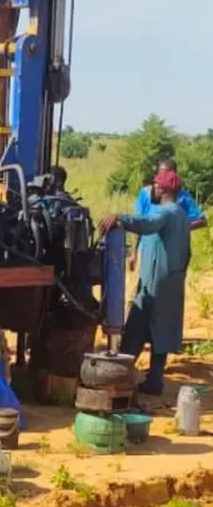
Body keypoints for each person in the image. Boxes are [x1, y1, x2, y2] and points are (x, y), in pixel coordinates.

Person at [99, 166, 192, 396]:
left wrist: (120, 218)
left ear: (162, 188)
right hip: (173, 280)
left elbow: (147, 223)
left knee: (137, 325)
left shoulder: (166, 212)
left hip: (155, 283)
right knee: (163, 331)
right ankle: (154, 380)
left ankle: (120, 376)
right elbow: (188, 252)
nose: (153, 188)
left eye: (155, 184)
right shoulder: (181, 215)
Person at [129, 158, 205, 273]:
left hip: (173, 252)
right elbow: (139, 222)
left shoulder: (183, 197)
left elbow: (202, 221)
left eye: (166, 173)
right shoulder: (146, 193)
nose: (161, 177)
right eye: (160, 173)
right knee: (143, 285)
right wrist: (134, 252)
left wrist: (180, 227)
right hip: (146, 249)